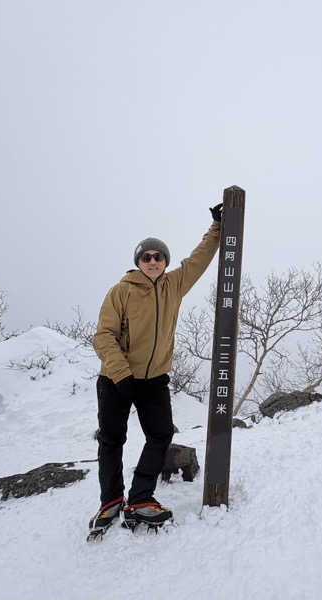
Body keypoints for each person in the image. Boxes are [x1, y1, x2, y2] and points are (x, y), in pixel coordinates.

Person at [89, 203, 222, 534]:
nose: (152, 261)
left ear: (164, 262)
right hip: (115, 380)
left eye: (158, 257)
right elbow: (103, 336)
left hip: (154, 382)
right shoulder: (120, 291)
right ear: (138, 261)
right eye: (146, 256)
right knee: (111, 440)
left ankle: (140, 498)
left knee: (161, 434)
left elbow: (199, 259)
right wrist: (121, 375)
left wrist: (218, 227)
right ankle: (110, 501)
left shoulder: (173, 285)